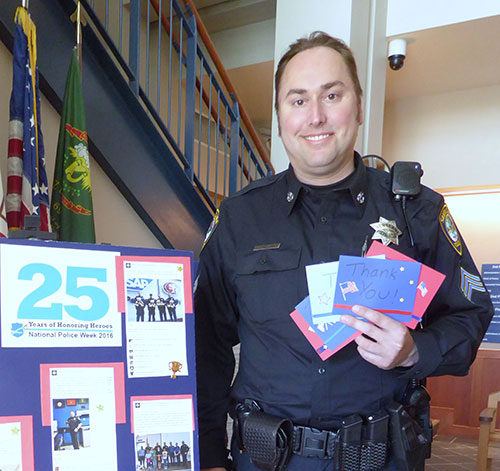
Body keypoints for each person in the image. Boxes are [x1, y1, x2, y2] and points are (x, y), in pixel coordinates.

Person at [194, 31, 494, 471]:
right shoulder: (239, 218)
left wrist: (415, 351)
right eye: (298, 100)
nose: (315, 115)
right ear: (280, 116)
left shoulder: (417, 211)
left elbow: (471, 314)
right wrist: (208, 456)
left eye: (332, 95)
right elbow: (205, 344)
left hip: (379, 458)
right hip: (263, 459)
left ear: (358, 106)